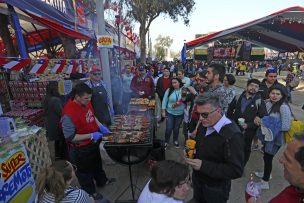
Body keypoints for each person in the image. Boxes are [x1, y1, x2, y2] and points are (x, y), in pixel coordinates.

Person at [186, 95, 244, 203]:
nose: (201, 118)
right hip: (198, 181)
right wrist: (191, 152)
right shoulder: (205, 123)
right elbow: (202, 146)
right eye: (198, 114)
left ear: (218, 110)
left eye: (205, 114)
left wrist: (203, 166)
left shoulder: (232, 135)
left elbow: (236, 170)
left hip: (215, 189)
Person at [61, 83, 114, 200]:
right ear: (77, 96)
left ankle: (102, 181)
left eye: (90, 97)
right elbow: (70, 137)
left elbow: (92, 116)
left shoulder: (86, 102)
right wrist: (90, 135)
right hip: (80, 149)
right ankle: (90, 192)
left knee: (97, 164)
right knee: (85, 172)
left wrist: (100, 126)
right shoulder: (68, 113)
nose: (89, 100)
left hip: (92, 144)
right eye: (86, 98)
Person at [254, 85, 291, 190]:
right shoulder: (268, 103)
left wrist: (267, 124)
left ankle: (265, 182)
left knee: (268, 158)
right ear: (269, 93)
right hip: (268, 137)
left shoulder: (283, 107)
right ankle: (266, 173)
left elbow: (286, 126)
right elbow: (262, 115)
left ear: (282, 95)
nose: (274, 96)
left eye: (278, 94)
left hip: (275, 139)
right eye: (272, 93)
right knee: (266, 157)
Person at [227, 79, 268, 166]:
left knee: (245, 148)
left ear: (258, 89)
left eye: (256, 87)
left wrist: (249, 125)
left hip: (249, 131)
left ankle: (241, 166)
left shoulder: (259, 101)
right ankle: (231, 163)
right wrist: (230, 122)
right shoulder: (238, 97)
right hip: (235, 128)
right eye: (251, 85)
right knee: (233, 145)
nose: (253, 88)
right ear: (247, 86)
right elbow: (230, 110)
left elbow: (263, 116)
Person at [36, 160, 110, 203]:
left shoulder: (42, 192)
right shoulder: (78, 195)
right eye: (73, 168)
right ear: (68, 180)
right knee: (104, 201)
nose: (75, 170)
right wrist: (91, 199)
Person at [44, 81, 68, 161]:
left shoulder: (46, 98)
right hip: (57, 124)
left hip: (50, 124)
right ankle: (62, 157)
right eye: (58, 88)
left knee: (56, 141)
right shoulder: (55, 100)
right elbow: (61, 113)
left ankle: (57, 156)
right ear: (54, 89)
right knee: (61, 141)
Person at [162, 78, 185, 149]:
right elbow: (164, 100)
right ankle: (166, 141)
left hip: (180, 114)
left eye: (175, 82)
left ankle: (175, 140)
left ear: (179, 83)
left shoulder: (183, 90)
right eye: (172, 83)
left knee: (176, 128)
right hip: (170, 113)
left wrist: (177, 103)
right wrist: (163, 111)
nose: (174, 84)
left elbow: (185, 99)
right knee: (169, 128)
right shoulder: (169, 90)